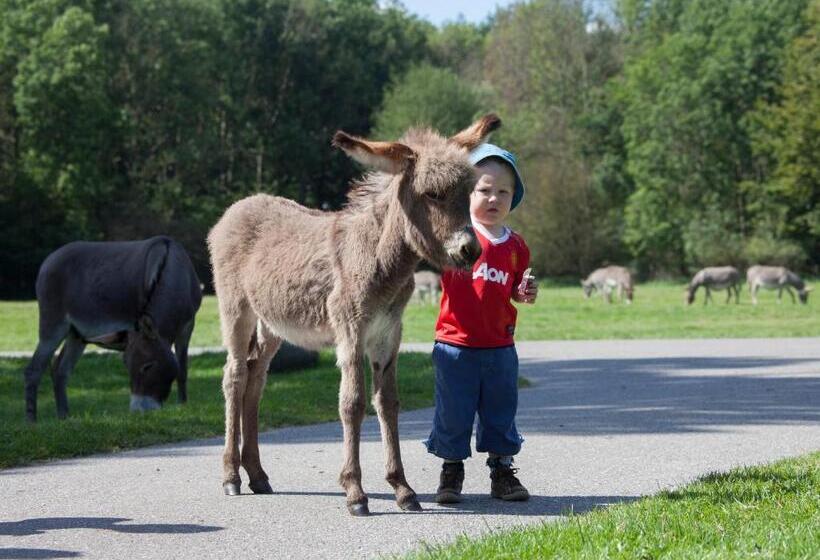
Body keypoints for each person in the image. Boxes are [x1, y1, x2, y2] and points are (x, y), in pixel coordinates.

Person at [423, 143, 538, 503]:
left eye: (503, 191)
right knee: (454, 412)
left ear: (513, 197)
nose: (494, 198)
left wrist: (524, 290)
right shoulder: (456, 237)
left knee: (500, 412)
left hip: (500, 347)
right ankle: (450, 472)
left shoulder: (516, 245)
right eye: (484, 189)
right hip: (456, 346)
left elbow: (515, 290)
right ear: (466, 194)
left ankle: (502, 473)